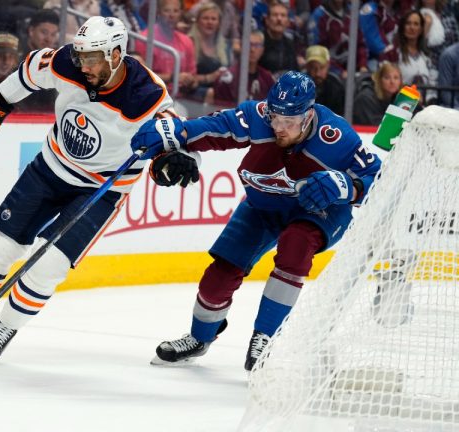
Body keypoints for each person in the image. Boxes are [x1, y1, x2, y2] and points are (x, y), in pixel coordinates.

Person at [0, 16, 175, 362]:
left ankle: (6, 325)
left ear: (116, 54)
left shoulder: (146, 94)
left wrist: (172, 158)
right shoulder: (67, 63)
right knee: (0, 246)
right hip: (50, 169)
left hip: (101, 189)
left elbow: (170, 132)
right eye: (80, 55)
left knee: (49, 263)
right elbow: (30, 70)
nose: (83, 64)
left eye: (92, 57)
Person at [129, 71, 382, 370]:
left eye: (289, 122)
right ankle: (200, 338)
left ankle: (265, 337)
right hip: (263, 205)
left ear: (309, 114)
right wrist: (174, 133)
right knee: (219, 275)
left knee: (294, 246)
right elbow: (212, 129)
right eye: (275, 118)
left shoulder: (336, 137)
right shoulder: (258, 116)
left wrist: (347, 187)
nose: (279, 128)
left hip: (317, 210)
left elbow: (378, 181)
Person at [353, 61, 403, 125]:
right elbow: (373, 124)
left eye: (396, 78)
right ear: (379, 80)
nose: (392, 82)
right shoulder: (365, 98)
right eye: (387, 78)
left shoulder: (400, 99)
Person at [304, 45, 345, 116]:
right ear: (307, 67)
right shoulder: (297, 86)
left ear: (328, 65)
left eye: (322, 67)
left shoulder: (336, 87)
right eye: (313, 68)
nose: (317, 73)